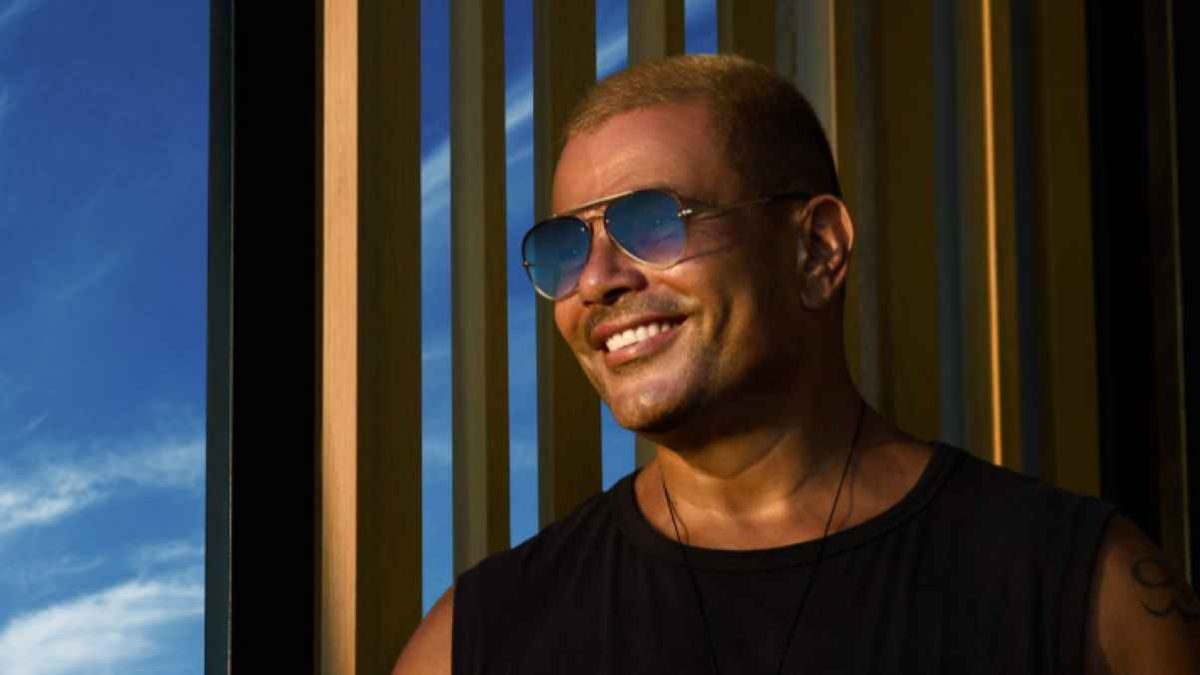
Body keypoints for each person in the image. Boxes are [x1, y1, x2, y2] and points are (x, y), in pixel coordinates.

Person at [394, 54, 1199, 674]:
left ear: (817, 249)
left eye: (652, 222)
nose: (597, 281)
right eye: (566, 248)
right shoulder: (480, 640)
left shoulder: (1085, 598)